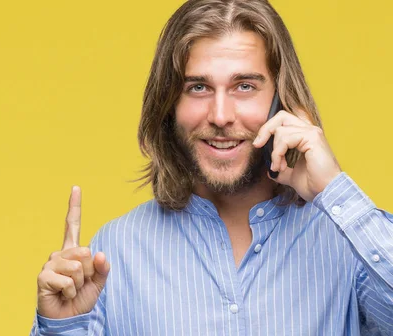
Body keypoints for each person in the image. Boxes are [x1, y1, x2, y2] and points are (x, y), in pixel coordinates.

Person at [30, 0, 393, 334]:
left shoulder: (348, 241)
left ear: (282, 100)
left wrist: (334, 188)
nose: (220, 116)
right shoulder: (115, 252)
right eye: (199, 87)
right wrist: (61, 328)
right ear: (169, 103)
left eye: (245, 86)